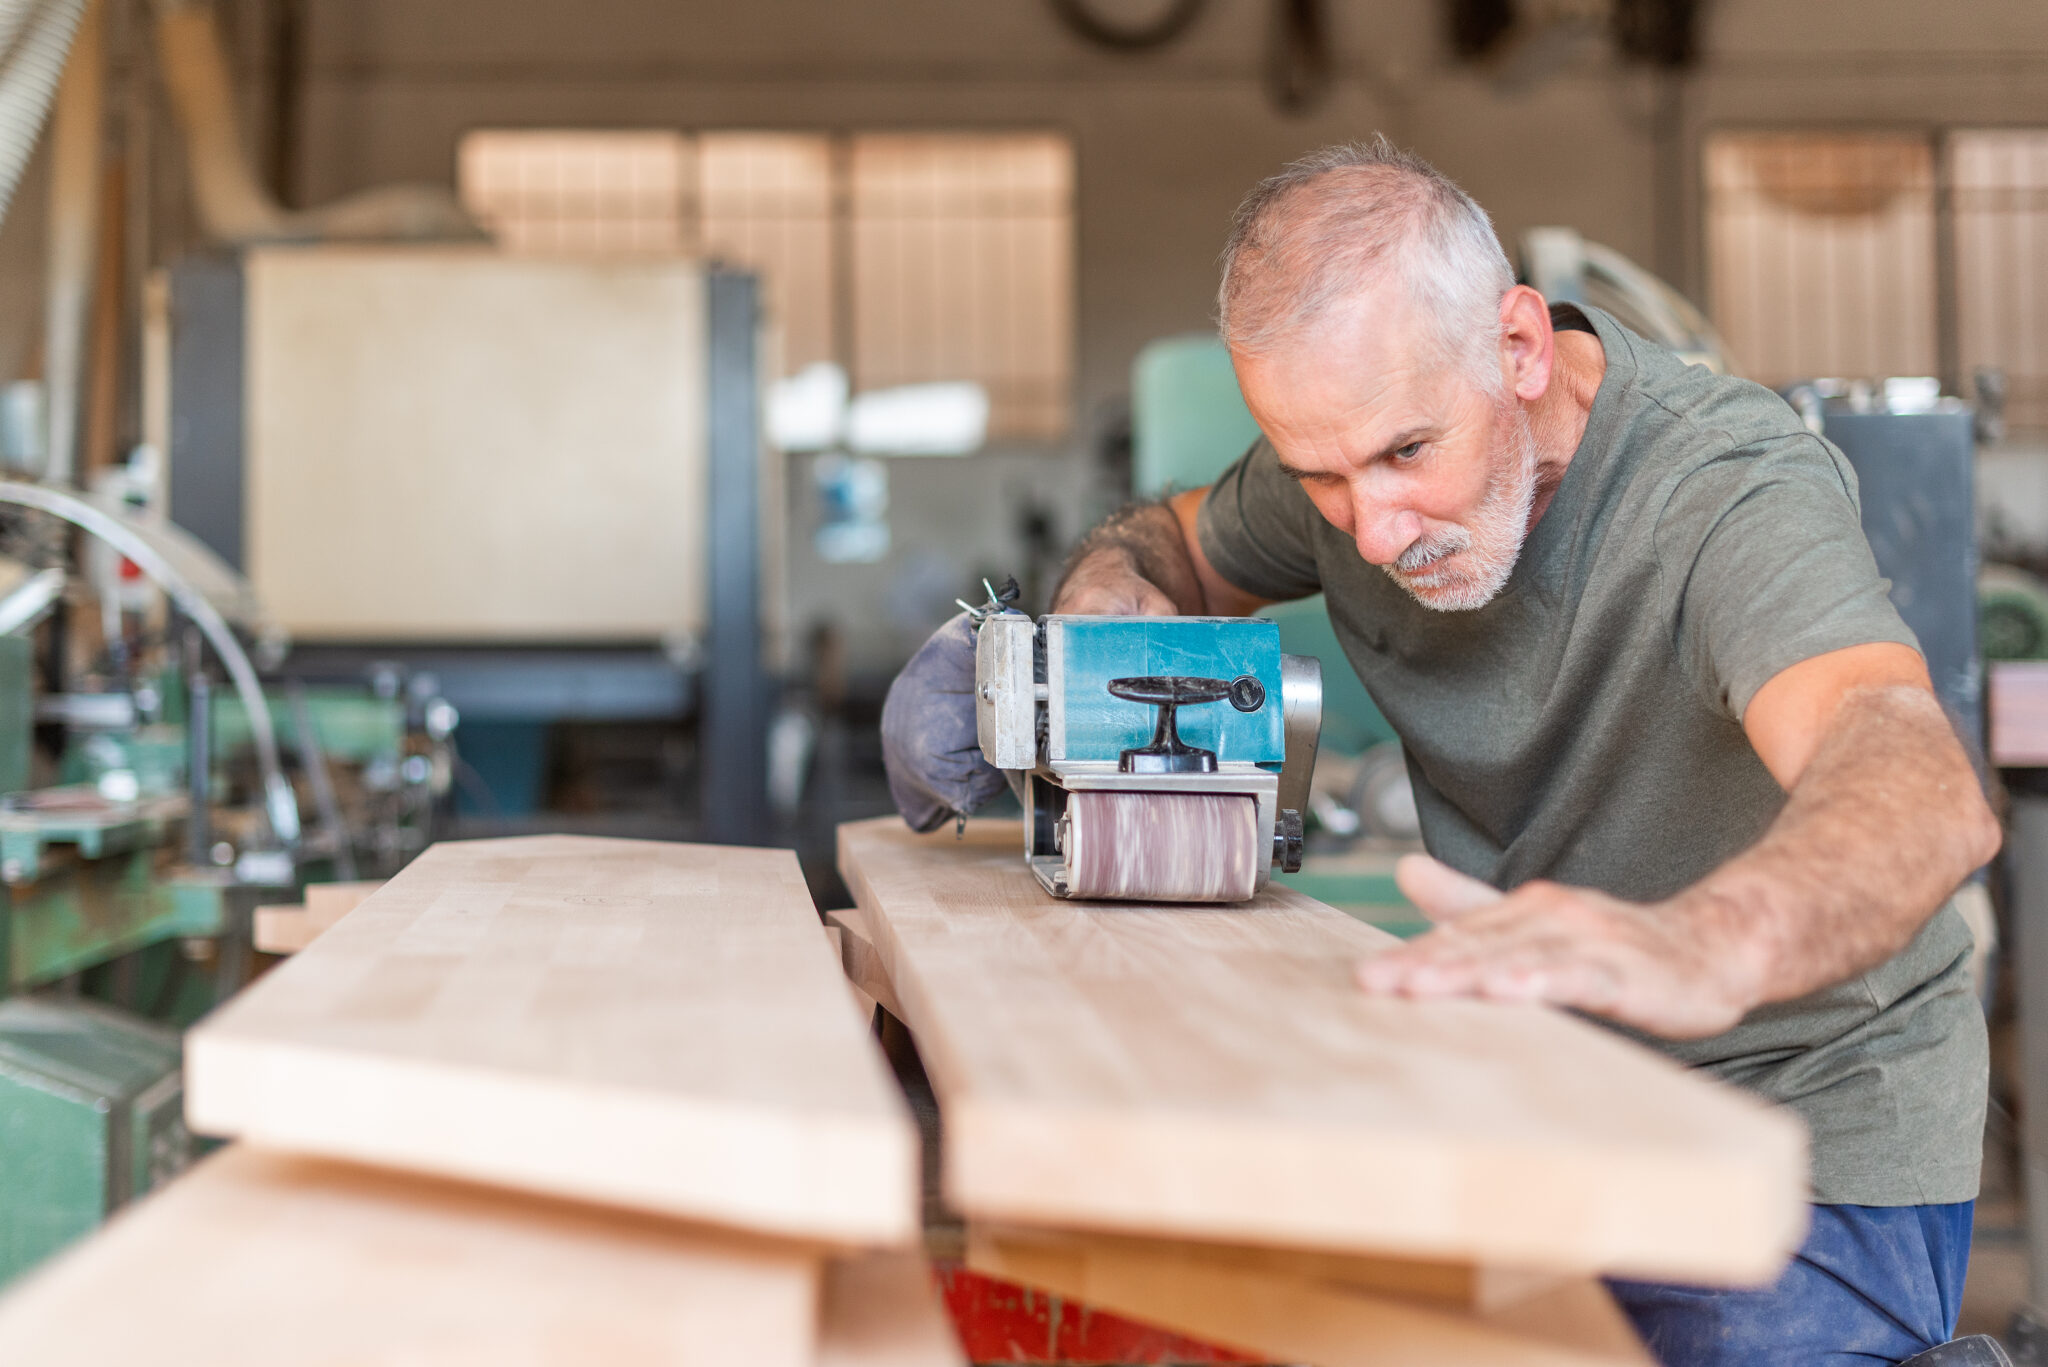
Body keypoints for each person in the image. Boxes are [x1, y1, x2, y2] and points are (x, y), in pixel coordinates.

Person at [880, 139, 2008, 1366]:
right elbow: (1166, 537)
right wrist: (1083, 621)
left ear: (1517, 347)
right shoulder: (1361, 448)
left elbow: (1912, 778)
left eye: (1407, 455)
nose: (1370, 528)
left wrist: (1708, 939)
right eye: (1321, 476)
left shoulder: (1722, 492)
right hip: (1544, 1089)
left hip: (1800, 1130)